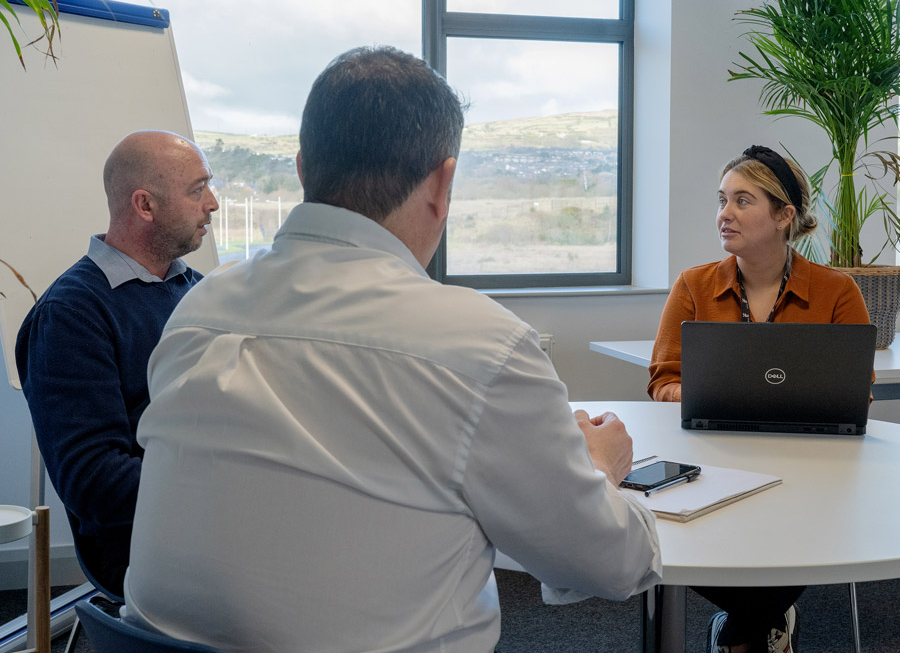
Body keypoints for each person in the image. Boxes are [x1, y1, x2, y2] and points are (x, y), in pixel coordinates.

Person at [122, 46, 662, 653]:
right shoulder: (479, 344)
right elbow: (613, 564)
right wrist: (598, 467)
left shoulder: (199, 311)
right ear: (443, 182)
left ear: (303, 168)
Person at [648, 146, 871, 653]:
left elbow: (856, 388)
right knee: (679, 538)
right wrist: (700, 393)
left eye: (742, 201)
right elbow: (663, 380)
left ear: (784, 215)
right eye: (721, 200)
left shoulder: (837, 291)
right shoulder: (694, 285)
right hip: (712, 460)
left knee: (813, 521)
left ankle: (741, 632)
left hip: (809, 468)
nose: (724, 214)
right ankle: (767, 622)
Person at [15, 130, 218, 598]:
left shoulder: (200, 290)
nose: (212, 204)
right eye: (197, 189)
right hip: (145, 549)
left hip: (208, 514)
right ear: (145, 206)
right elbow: (95, 483)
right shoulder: (70, 315)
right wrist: (225, 481)